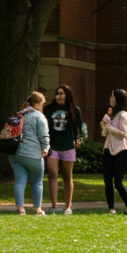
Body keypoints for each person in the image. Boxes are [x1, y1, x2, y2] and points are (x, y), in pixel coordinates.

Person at [9, 92, 50, 216]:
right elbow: (43, 135)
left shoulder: (19, 114)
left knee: (20, 181)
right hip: (32, 153)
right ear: (36, 104)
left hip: (14, 153)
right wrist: (46, 147)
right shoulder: (39, 116)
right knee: (37, 181)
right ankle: (38, 208)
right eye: (42, 104)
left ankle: (21, 208)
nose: (42, 107)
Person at [44, 85, 83, 215]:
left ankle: (68, 207)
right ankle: (54, 206)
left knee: (67, 177)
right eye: (57, 93)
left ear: (67, 95)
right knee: (53, 174)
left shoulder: (74, 110)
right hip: (52, 146)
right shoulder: (48, 109)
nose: (59, 96)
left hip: (68, 147)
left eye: (61, 93)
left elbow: (79, 128)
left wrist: (78, 138)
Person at [100, 89, 127, 216]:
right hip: (108, 150)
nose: (110, 98)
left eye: (112, 96)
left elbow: (123, 133)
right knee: (107, 182)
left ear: (118, 99)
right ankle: (111, 208)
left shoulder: (123, 115)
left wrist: (108, 125)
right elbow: (105, 133)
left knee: (118, 183)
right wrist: (106, 123)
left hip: (120, 151)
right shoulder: (114, 115)